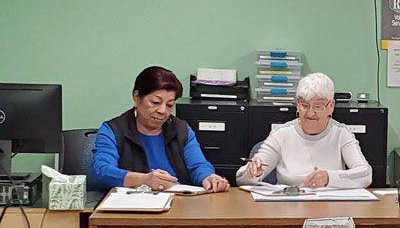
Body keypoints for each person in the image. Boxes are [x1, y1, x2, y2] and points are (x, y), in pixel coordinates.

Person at [92, 66, 230, 192]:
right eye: (155, 102)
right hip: (132, 210)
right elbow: (101, 171)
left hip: (179, 207)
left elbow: (198, 165)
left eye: (170, 105)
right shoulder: (113, 130)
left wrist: (209, 177)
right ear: (136, 97)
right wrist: (143, 180)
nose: (163, 111)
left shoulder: (181, 130)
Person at [236, 72, 372, 188]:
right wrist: (251, 173)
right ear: (297, 105)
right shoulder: (281, 134)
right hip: (289, 209)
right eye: (305, 105)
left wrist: (329, 177)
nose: (310, 113)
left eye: (318, 106)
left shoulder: (341, 133)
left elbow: (365, 174)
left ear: (331, 106)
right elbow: (240, 179)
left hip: (330, 210)